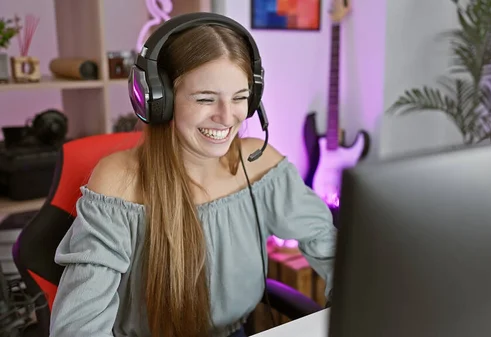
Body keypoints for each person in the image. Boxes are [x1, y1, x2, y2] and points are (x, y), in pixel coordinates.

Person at [48, 14, 336, 337]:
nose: (227, 117)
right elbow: (77, 328)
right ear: (160, 100)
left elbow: (334, 247)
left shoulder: (259, 165)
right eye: (205, 99)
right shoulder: (119, 182)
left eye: (240, 98)